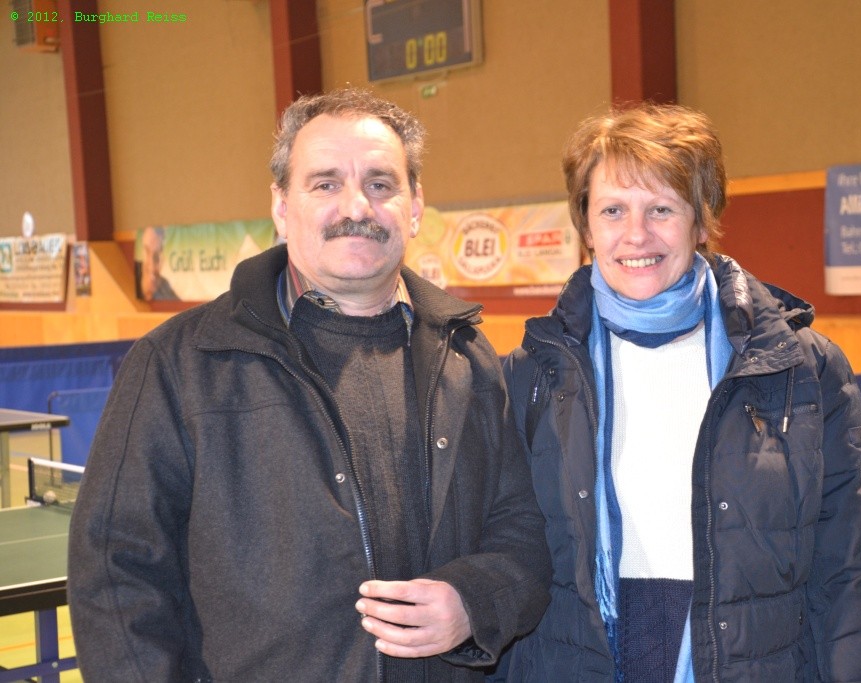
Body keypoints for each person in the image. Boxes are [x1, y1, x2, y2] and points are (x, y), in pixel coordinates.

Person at [68, 87, 552, 681]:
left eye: (381, 183)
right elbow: (117, 573)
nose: (356, 206)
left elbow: (522, 530)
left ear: (416, 206)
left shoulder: (468, 358)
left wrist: (475, 602)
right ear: (280, 206)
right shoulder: (178, 364)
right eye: (325, 184)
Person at [498, 104, 861, 681]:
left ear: (701, 221)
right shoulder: (530, 375)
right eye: (612, 210)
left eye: (662, 209)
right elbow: (505, 556)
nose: (636, 234)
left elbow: (856, 565)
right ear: (586, 228)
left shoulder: (800, 368)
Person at [136, 225, 179, 301]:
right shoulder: (129, 274)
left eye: (156, 255)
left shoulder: (165, 287)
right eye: (147, 251)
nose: (151, 266)